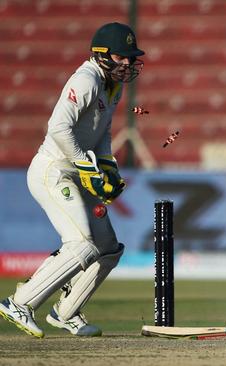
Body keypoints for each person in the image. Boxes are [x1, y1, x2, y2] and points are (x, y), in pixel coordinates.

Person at [0, 22, 145, 338]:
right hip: (53, 170)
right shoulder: (86, 79)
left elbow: (102, 132)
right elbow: (58, 129)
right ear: (102, 54)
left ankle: (65, 312)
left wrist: (108, 167)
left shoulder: (113, 86)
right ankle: (19, 303)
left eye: (131, 58)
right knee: (81, 244)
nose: (128, 63)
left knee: (108, 249)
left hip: (78, 171)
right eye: (123, 57)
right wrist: (87, 167)